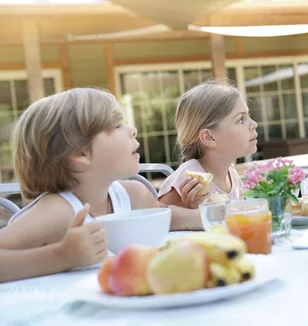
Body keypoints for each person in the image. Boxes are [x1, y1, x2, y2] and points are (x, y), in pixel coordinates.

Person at [0, 88, 157, 281]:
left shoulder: (135, 195)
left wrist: (194, 206)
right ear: (80, 153)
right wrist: (61, 256)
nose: (132, 130)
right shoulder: (58, 211)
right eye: (117, 125)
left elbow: (171, 222)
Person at [158, 79, 258, 230]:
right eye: (241, 119)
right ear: (209, 137)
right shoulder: (190, 177)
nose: (254, 124)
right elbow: (157, 216)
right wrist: (193, 210)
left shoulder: (232, 176)